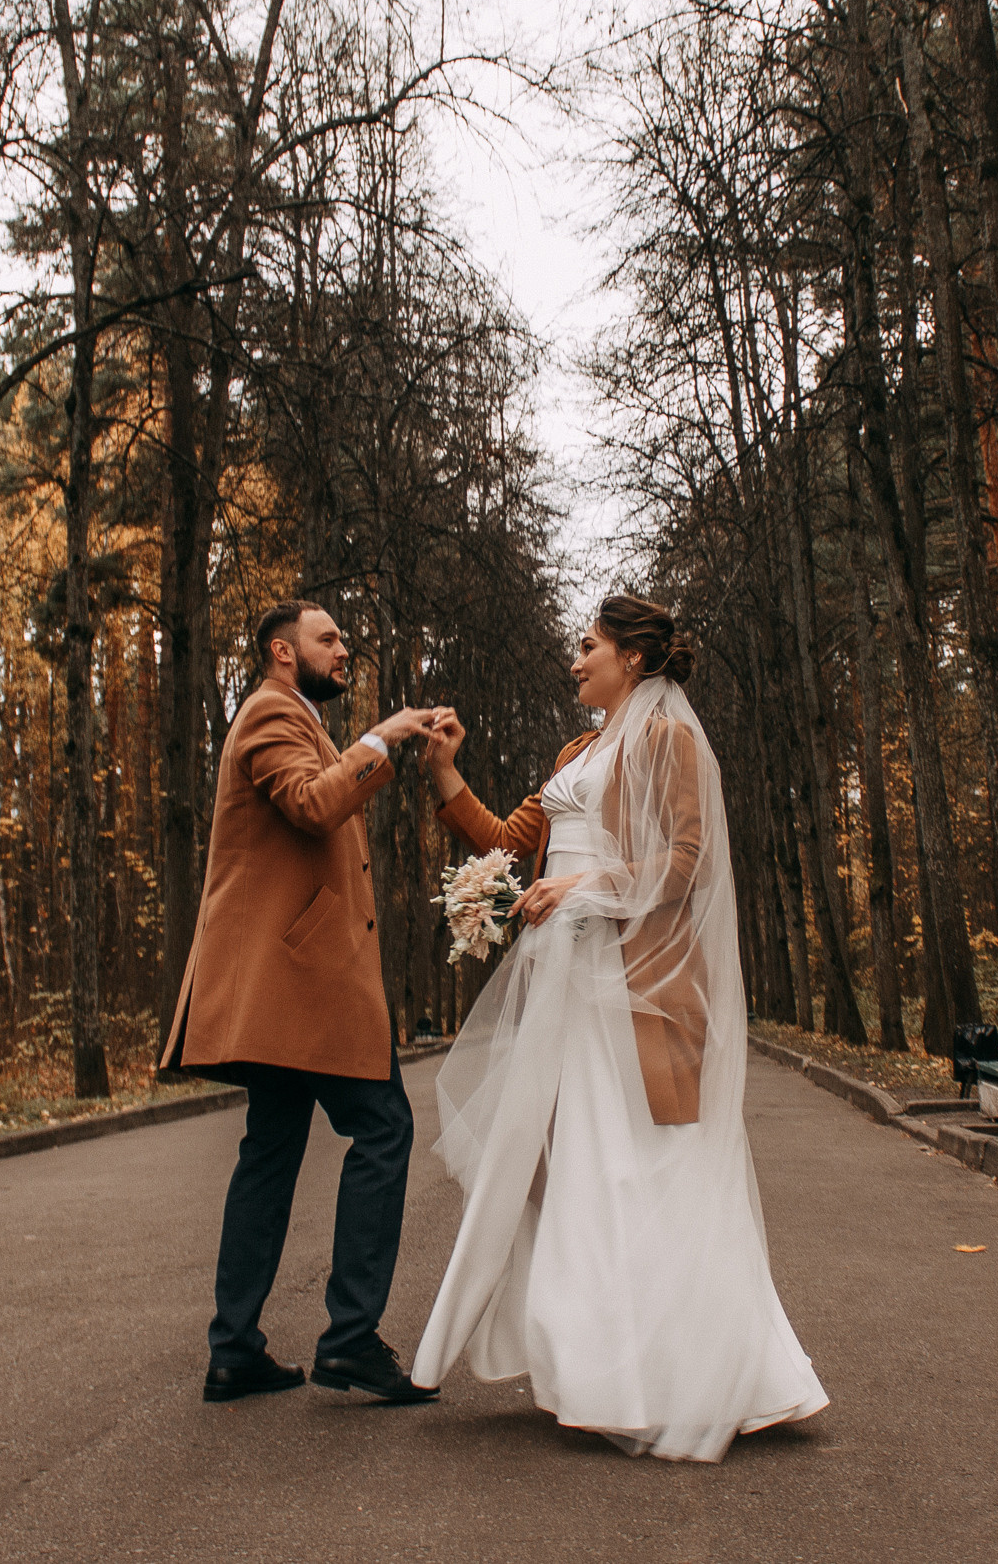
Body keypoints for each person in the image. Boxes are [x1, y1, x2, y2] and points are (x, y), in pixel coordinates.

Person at [414, 594, 828, 1461]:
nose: (576, 658)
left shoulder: (672, 741)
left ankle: (704, 1372)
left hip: (636, 987)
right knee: (576, 1174)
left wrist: (586, 888)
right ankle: (596, 1369)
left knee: (641, 1168)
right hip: (564, 989)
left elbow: (688, 862)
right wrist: (447, 770)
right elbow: (506, 835)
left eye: (589, 644)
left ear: (632, 659)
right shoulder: (577, 752)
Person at [162, 600, 446, 1405]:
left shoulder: (295, 717)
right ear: (283, 652)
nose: (344, 648)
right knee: (384, 1127)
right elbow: (312, 803)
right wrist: (382, 739)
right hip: (299, 982)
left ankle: (235, 1348)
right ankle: (350, 1339)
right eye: (329, 639)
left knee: (273, 1147)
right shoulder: (268, 713)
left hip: (293, 984)